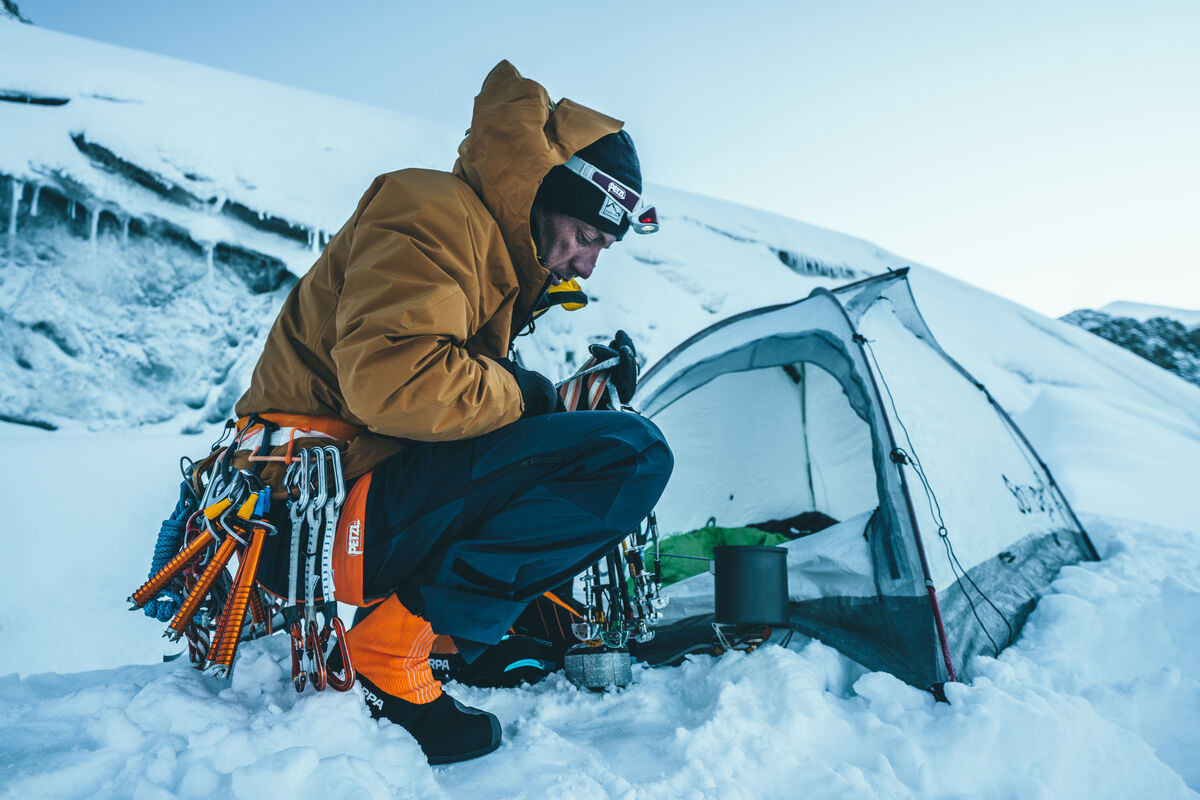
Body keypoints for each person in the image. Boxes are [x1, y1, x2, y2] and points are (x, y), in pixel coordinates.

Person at [231, 61, 673, 764]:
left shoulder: (483, 246)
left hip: (348, 489)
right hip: (312, 514)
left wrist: (537, 399)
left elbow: (451, 399)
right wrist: (527, 396)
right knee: (631, 455)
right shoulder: (431, 211)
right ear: (547, 192)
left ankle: (439, 640)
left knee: (556, 439)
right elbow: (394, 383)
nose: (588, 266)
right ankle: (390, 651)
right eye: (588, 238)